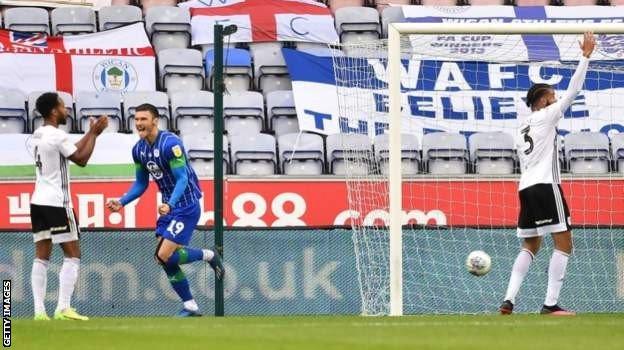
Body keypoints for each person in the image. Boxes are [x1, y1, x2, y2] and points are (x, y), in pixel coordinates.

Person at [500, 32, 595, 316]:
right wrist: (585, 57)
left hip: (526, 188)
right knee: (564, 242)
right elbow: (574, 91)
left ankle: (508, 300)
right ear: (541, 102)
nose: (556, 101)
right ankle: (550, 304)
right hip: (545, 185)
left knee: (531, 243)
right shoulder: (547, 115)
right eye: (551, 97)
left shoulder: (521, 129)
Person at [106, 103, 224, 317]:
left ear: (155, 121)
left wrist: (171, 203)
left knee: (163, 254)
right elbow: (141, 184)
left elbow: (183, 178)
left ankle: (209, 255)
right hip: (168, 208)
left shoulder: (171, 143)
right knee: (163, 258)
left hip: (186, 205)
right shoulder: (138, 150)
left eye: (144, 119)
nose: (139, 123)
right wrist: (122, 202)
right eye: (137, 119)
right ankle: (190, 305)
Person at [30, 92, 108, 321]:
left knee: (42, 256)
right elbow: (81, 159)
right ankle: (63, 308)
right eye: (63, 107)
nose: (67, 110)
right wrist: (94, 134)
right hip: (57, 202)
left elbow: (71, 149)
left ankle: (39, 312)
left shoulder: (39, 133)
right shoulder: (56, 135)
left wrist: (91, 134)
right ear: (54, 111)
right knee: (73, 254)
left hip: (38, 200)